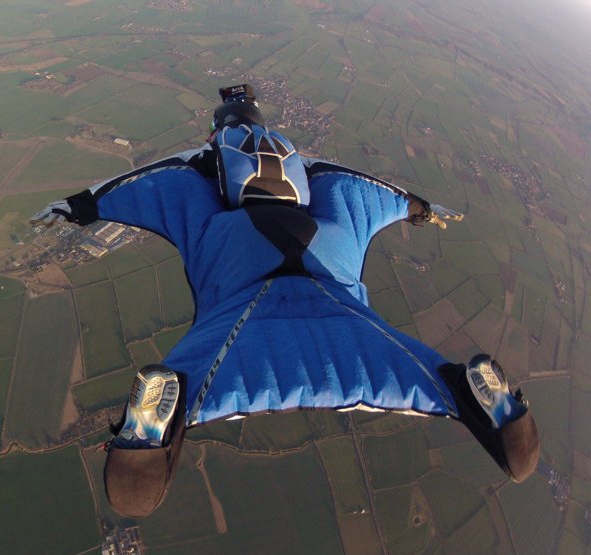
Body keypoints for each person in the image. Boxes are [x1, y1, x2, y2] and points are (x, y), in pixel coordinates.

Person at [31, 85, 539, 518]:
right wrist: (419, 209)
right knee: (415, 368)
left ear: (218, 130)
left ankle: (154, 436)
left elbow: (155, 183)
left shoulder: (205, 160)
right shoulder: (307, 163)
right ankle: (474, 401)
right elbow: (360, 188)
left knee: (203, 359)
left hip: (243, 273)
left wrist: (79, 205)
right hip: (326, 258)